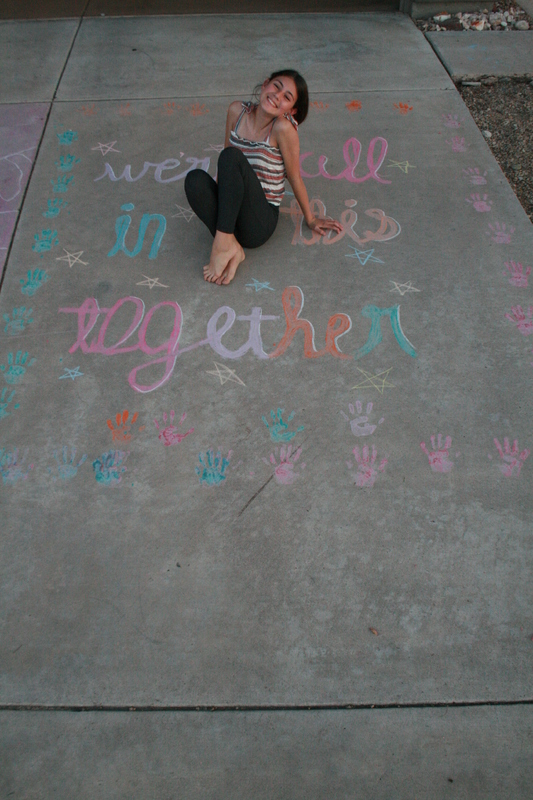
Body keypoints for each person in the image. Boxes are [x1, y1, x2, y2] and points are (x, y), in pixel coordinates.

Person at [184, 69, 342, 286]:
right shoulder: (236, 111)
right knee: (195, 180)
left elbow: (294, 177)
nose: (277, 96)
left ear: (292, 110)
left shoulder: (282, 129)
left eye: (287, 97)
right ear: (266, 84)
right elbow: (226, 164)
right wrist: (220, 203)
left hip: (258, 222)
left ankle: (223, 244)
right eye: (276, 86)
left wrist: (311, 218)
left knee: (231, 157)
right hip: (232, 212)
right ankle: (230, 244)